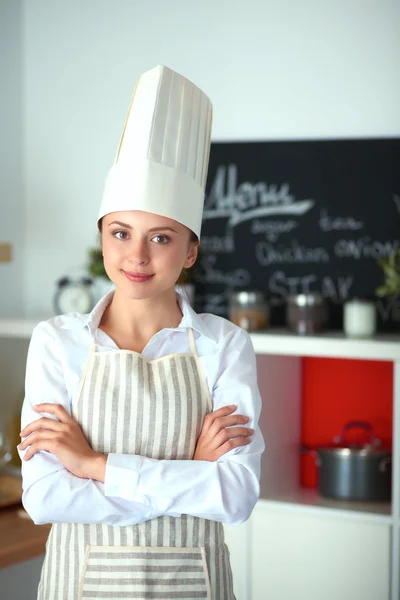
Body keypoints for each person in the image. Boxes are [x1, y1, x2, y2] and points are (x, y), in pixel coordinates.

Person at [18, 65, 264, 600]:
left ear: (190, 250)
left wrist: (92, 465)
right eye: (121, 232)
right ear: (102, 238)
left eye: (161, 237)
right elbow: (44, 499)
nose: (136, 255)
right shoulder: (58, 342)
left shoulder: (224, 345)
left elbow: (237, 495)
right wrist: (191, 477)